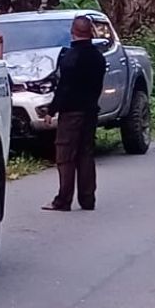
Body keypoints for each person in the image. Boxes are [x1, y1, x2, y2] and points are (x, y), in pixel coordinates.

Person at [41, 16, 106, 212]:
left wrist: (51, 110)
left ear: (73, 32)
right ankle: (88, 199)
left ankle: (63, 200)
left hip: (71, 113)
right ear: (91, 32)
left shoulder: (70, 57)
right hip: (90, 111)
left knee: (65, 155)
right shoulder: (98, 58)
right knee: (86, 154)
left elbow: (64, 88)